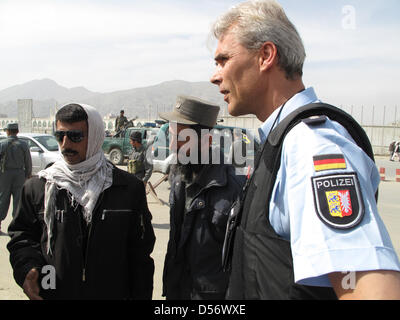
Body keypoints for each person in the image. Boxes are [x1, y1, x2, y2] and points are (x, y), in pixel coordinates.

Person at [210, 0, 400, 299]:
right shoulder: (279, 141)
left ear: (266, 56)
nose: (215, 75)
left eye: (223, 60)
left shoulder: (311, 145)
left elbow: (371, 288)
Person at [7, 103, 155, 300]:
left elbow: (140, 255)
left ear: (94, 137)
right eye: (60, 136)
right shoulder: (39, 188)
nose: (66, 144)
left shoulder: (127, 188)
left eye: (75, 136)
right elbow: (22, 237)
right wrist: (28, 268)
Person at [159, 95, 245, 300]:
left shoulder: (233, 187)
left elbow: (241, 265)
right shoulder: (179, 176)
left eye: (180, 139)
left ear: (206, 140)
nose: (172, 146)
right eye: (171, 136)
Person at [0, 123, 32, 234]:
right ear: (17, 131)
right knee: (18, 200)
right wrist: (28, 175)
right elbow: (28, 160)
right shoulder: (23, 144)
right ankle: (16, 226)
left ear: (8, 131)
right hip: (19, 174)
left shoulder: (2, 144)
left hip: (5, 174)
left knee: (3, 199)